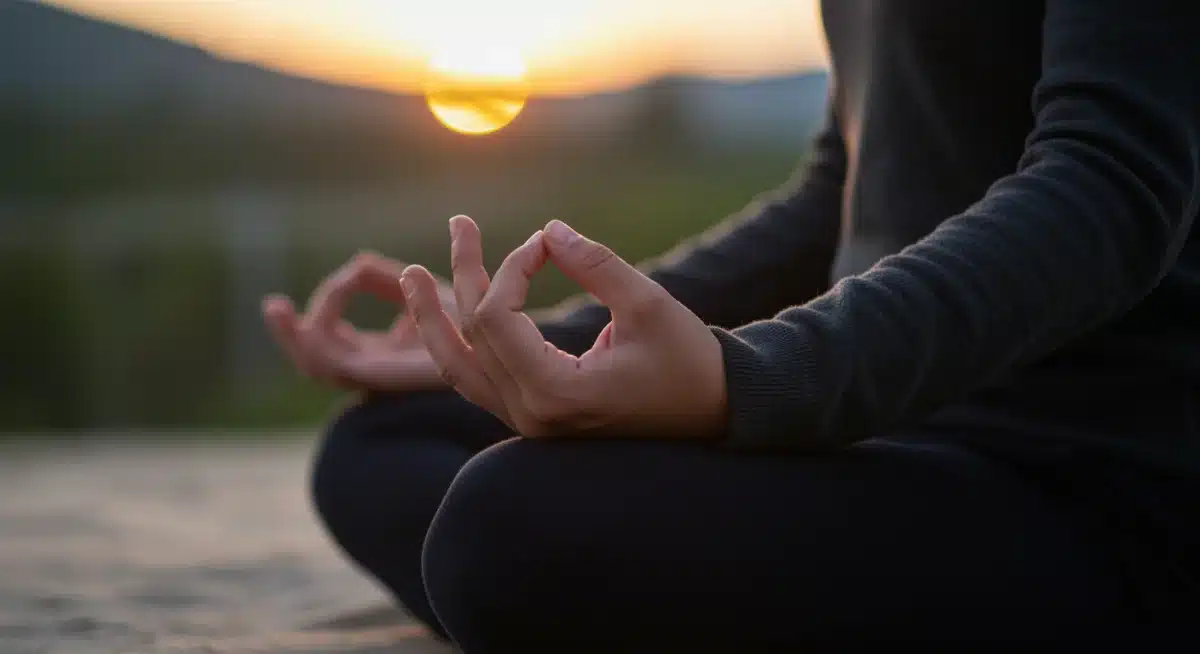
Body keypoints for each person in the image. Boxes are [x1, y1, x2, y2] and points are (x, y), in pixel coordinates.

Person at [262, 0, 1199, 650]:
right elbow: (841, 195)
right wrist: (540, 349)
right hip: (900, 435)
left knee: (505, 526)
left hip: (1092, 487)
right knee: (381, 445)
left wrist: (745, 379)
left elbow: (1112, 185)